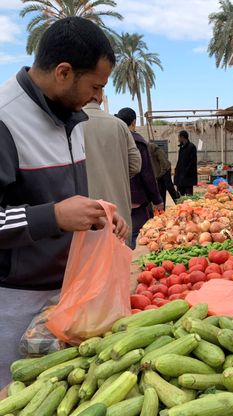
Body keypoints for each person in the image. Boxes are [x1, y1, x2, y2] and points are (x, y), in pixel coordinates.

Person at [0, 17, 128, 388]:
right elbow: (50, 211)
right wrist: (54, 216)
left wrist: (97, 214)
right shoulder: (5, 119)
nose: (99, 97)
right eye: (95, 86)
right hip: (15, 299)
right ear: (63, 72)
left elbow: (58, 195)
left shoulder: (71, 116)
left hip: (68, 292)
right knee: (17, 394)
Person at [83, 96, 141, 237]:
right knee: (120, 253)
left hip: (85, 217)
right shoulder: (119, 125)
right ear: (99, 98)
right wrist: (116, 174)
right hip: (118, 213)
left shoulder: (69, 125)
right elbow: (135, 165)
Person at [115, 108, 164, 249]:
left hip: (116, 198)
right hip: (136, 200)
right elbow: (146, 173)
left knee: (119, 236)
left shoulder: (112, 139)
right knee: (134, 236)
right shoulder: (137, 142)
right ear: (134, 122)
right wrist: (157, 199)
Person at [148, 142, 179, 209]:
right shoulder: (146, 150)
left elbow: (164, 162)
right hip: (159, 174)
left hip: (165, 171)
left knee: (170, 189)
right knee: (161, 191)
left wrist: (161, 173)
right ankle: (162, 210)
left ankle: (180, 205)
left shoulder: (153, 148)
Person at [174, 130, 197, 196]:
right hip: (180, 178)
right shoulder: (181, 147)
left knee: (189, 198)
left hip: (188, 178)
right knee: (179, 197)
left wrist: (185, 173)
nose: (178, 139)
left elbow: (192, 163)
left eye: (179, 137)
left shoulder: (191, 147)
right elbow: (180, 161)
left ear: (182, 137)